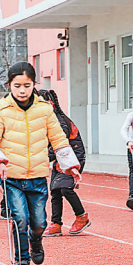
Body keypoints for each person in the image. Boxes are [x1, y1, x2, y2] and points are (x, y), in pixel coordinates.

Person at [0, 62, 81, 265]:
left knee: (39, 223)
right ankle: (22, 261)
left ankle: (36, 241)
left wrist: (71, 165)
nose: (22, 90)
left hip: (37, 177)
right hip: (12, 178)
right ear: (9, 85)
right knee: (20, 219)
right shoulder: (1, 110)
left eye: (27, 85)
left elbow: (59, 139)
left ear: (34, 84)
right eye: (17, 86)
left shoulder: (44, 110)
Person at [38, 89, 90, 237]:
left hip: (72, 157)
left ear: (51, 104)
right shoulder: (47, 120)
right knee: (55, 190)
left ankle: (82, 217)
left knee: (65, 188)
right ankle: (56, 224)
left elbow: (60, 145)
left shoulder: (59, 122)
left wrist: (41, 158)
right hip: (60, 157)